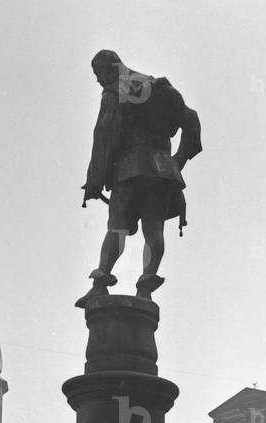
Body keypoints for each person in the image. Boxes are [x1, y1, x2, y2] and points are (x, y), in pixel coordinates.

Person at [77, 50, 202, 307]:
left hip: (130, 169)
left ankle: (99, 285)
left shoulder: (115, 90)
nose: (98, 80)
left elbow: (103, 136)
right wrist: (178, 160)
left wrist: (94, 181)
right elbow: (192, 119)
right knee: (154, 229)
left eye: (98, 74)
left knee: (117, 229)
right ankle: (145, 288)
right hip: (162, 173)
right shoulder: (157, 87)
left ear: (109, 69)